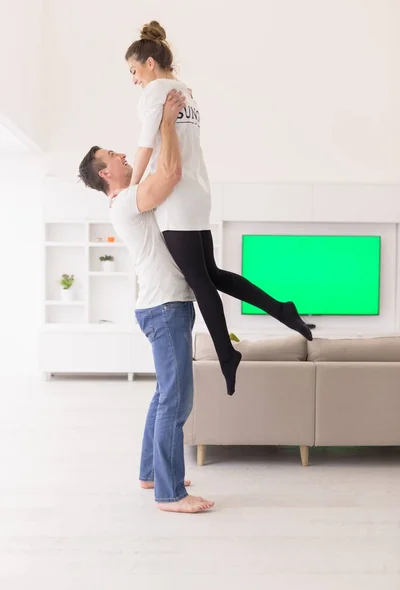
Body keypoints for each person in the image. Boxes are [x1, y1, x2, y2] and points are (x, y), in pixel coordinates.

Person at [124, 21, 313, 396]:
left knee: (200, 280)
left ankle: (227, 354)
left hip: (175, 198)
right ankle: (281, 309)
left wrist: (132, 193)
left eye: (133, 71)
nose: (133, 80)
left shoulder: (156, 91)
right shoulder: (187, 93)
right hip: (198, 191)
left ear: (148, 63)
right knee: (212, 273)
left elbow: (146, 145)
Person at [78, 90, 214, 514]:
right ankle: (170, 493)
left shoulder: (126, 198)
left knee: (164, 395)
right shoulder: (127, 202)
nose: (123, 157)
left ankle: (151, 473)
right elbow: (171, 173)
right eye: (114, 156)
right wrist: (168, 123)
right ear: (105, 175)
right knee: (177, 399)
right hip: (165, 308)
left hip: (162, 306)